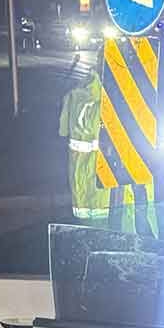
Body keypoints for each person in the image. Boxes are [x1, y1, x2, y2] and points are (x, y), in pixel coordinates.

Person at [58, 69, 111, 224]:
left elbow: (62, 130)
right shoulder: (108, 98)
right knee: (101, 211)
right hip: (100, 164)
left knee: (81, 210)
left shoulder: (72, 94)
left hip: (77, 164)